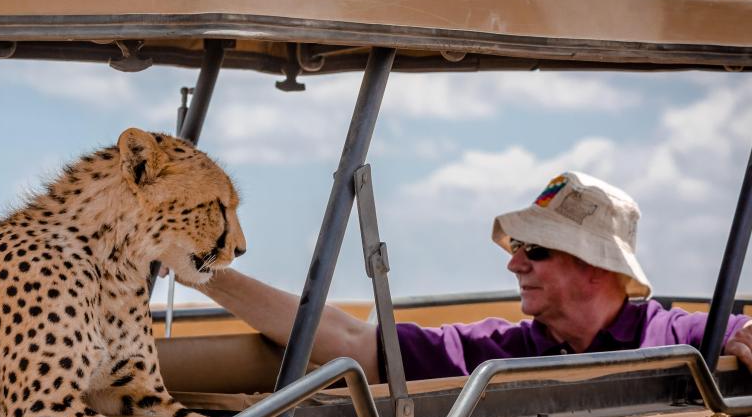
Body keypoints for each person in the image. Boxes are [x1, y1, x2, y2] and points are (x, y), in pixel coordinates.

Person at [195, 171, 752, 383]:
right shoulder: (495, 347)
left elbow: (736, 336)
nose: (513, 263)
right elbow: (350, 341)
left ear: (592, 266)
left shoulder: (682, 337)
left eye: (534, 250)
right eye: (515, 248)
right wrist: (201, 273)